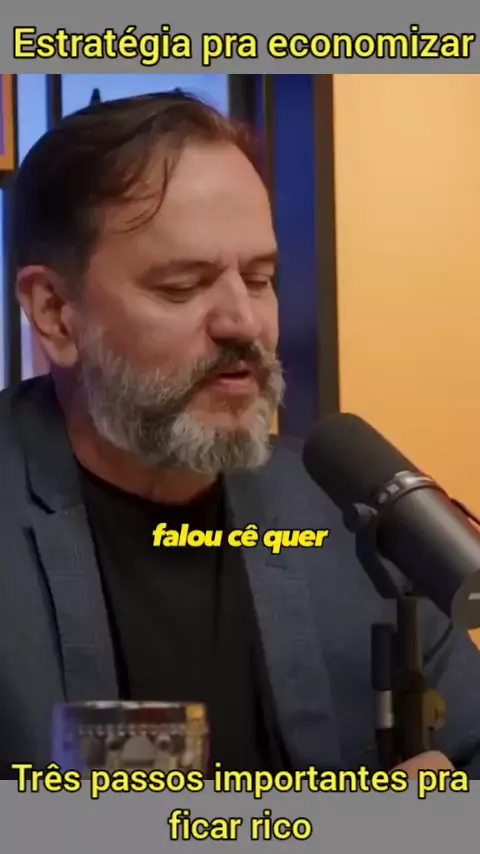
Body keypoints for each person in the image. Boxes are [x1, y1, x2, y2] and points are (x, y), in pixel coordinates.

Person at [0, 91, 479, 782]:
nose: (243, 322)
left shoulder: (353, 522)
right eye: (182, 286)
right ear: (54, 313)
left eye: (259, 279)